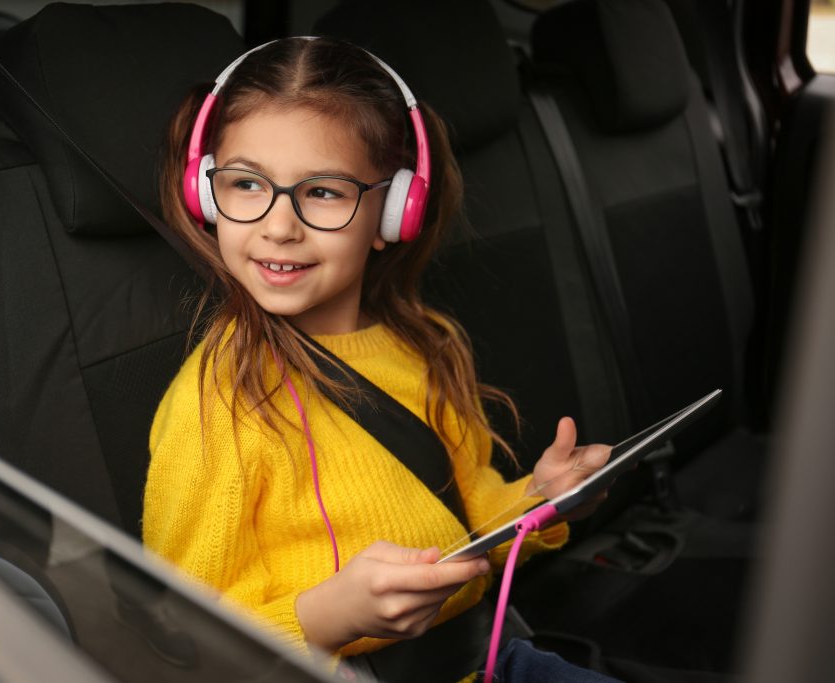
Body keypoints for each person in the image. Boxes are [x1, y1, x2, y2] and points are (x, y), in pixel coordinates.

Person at [142, 37, 615, 681]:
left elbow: (468, 516)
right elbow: (183, 635)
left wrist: (541, 498)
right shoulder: (215, 402)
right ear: (205, 192)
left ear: (398, 208)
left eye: (325, 193)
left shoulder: (427, 346)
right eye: (246, 183)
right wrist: (328, 617)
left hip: (486, 657)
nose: (279, 226)